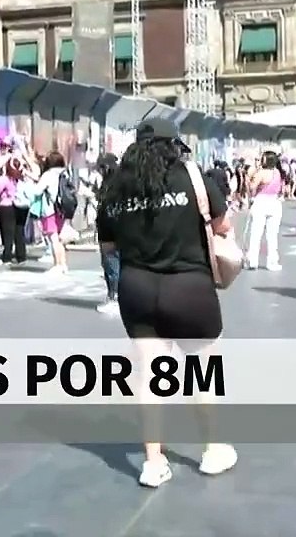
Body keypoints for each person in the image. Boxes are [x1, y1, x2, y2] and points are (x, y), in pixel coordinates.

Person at [96, 117, 237, 487]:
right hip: (190, 288)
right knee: (202, 373)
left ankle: (153, 463)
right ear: (174, 144)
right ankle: (212, 450)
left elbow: (108, 246)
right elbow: (221, 223)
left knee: (148, 378)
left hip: (138, 290)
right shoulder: (191, 176)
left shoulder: (116, 187)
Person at [244, 151, 284, 271]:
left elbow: (252, 187)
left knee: (256, 233)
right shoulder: (278, 172)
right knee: (272, 235)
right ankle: (272, 261)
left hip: (261, 202)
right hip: (275, 202)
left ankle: (252, 260)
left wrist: (248, 179)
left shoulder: (261, 173)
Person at [0, 155, 33, 264]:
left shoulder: (5, 179)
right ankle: (21, 255)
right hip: (21, 206)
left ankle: (7, 257)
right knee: (19, 232)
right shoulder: (22, 178)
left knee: (8, 233)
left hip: (6, 207)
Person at [35, 151, 71, 275]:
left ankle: (57, 265)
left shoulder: (48, 174)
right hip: (62, 209)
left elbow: (37, 191)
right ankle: (63, 264)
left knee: (53, 238)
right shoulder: (65, 173)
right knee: (59, 238)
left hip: (50, 209)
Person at [95, 154, 122, 315]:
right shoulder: (123, 180)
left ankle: (114, 297)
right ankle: (118, 296)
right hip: (120, 227)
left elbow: (105, 204)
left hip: (108, 228)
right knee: (118, 263)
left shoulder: (110, 183)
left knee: (111, 263)